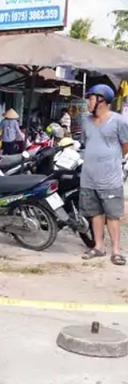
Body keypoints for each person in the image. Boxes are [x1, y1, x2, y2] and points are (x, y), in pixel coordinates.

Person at [79, 84, 128, 265]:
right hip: (89, 176)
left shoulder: (119, 121)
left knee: (113, 215)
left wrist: (111, 159)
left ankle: (116, 250)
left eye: (91, 99)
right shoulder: (86, 121)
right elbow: (86, 143)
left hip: (110, 177)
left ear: (102, 101)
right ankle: (98, 246)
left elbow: (125, 145)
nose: (88, 103)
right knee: (95, 214)